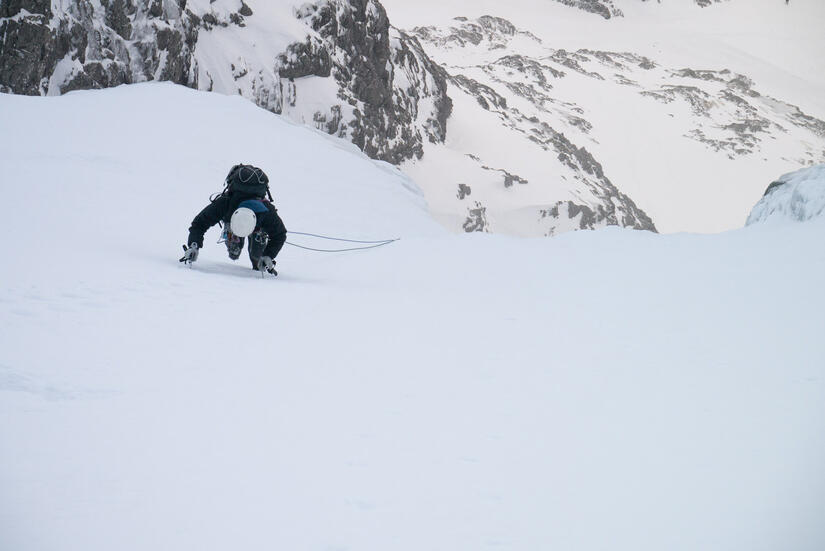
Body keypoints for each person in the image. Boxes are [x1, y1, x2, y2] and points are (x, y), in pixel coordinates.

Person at [180, 164, 287, 275]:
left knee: (258, 260)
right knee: (233, 254)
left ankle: (257, 242)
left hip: (258, 228)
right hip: (231, 220)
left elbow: (280, 234)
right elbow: (200, 223)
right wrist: (194, 245)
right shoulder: (225, 203)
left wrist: (268, 255)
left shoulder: (266, 212)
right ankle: (231, 232)